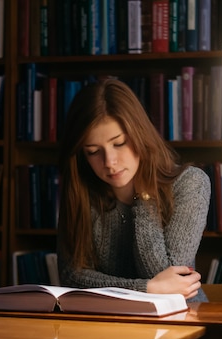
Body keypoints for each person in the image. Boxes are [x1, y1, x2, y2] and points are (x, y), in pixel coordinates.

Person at [57, 78, 211, 302]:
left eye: (119, 143)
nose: (109, 162)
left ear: (139, 134)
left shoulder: (190, 183)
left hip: (181, 322)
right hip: (107, 327)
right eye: (92, 151)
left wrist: (145, 195)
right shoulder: (81, 192)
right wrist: (146, 289)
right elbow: (71, 278)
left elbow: (171, 282)